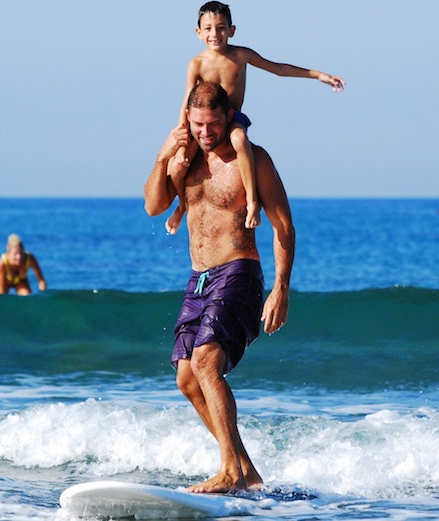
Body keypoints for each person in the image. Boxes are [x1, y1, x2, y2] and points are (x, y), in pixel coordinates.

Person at [144, 82, 295, 493]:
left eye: (212, 124)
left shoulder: (252, 160)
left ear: (228, 117)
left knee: (207, 362)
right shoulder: (185, 159)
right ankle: (246, 472)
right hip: (199, 279)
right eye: (197, 125)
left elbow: (284, 225)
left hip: (239, 270)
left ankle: (229, 472)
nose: (205, 133)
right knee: (187, 378)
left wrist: (281, 287)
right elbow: (154, 205)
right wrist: (163, 157)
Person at [164, 0, 344, 235]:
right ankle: (182, 205)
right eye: (208, 28)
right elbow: (188, 98)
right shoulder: (196, 63)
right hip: (205, 122)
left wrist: (318, 75)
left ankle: (252, 202)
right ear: (198, 33)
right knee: (177, 165)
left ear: (232, 30)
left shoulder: (241, 55)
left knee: (240, 141)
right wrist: (181, 131)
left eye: (220, 27)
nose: (215, 33)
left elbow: (278, 69)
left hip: (232, 118)